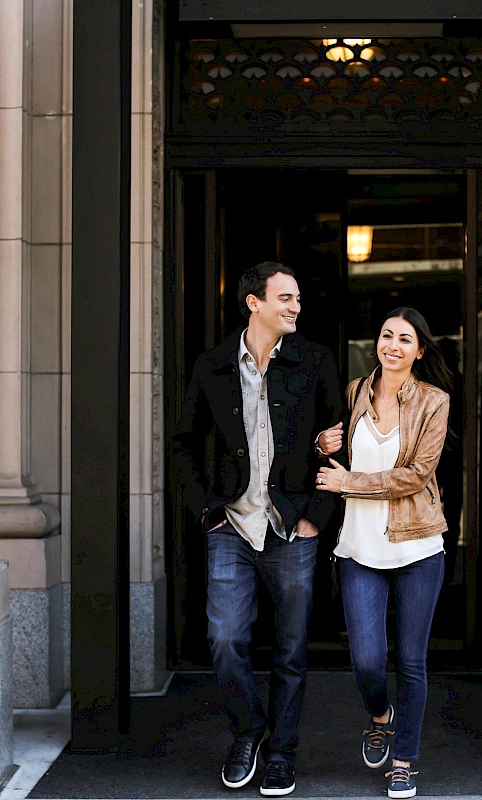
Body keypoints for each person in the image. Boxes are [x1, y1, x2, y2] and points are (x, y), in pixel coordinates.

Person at [170, 262, 343, 797]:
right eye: (285, 298)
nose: (295, 307)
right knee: (224, 638)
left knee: (291, 648)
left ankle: (282, 754)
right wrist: (206, 508)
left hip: (293, 525)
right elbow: (181, 442)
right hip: (232, 525)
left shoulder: (315, 361)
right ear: (254, 303)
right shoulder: (214, 364)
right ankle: (247, 732)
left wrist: (316, 515)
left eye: (296, 299)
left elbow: (341, 438)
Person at [314, 307, 452, 800]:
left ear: (419, 350)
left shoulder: (435, 402)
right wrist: (321, 443)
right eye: (386, 335)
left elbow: (417, 474)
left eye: (405, 338)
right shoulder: (354, 392)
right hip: (359, 547)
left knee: (411, 662)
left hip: (417, 545)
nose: (392, 345)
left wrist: (349, 482)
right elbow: (332, 453)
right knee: (367, 660)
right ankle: (379, 716)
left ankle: (405, 760)